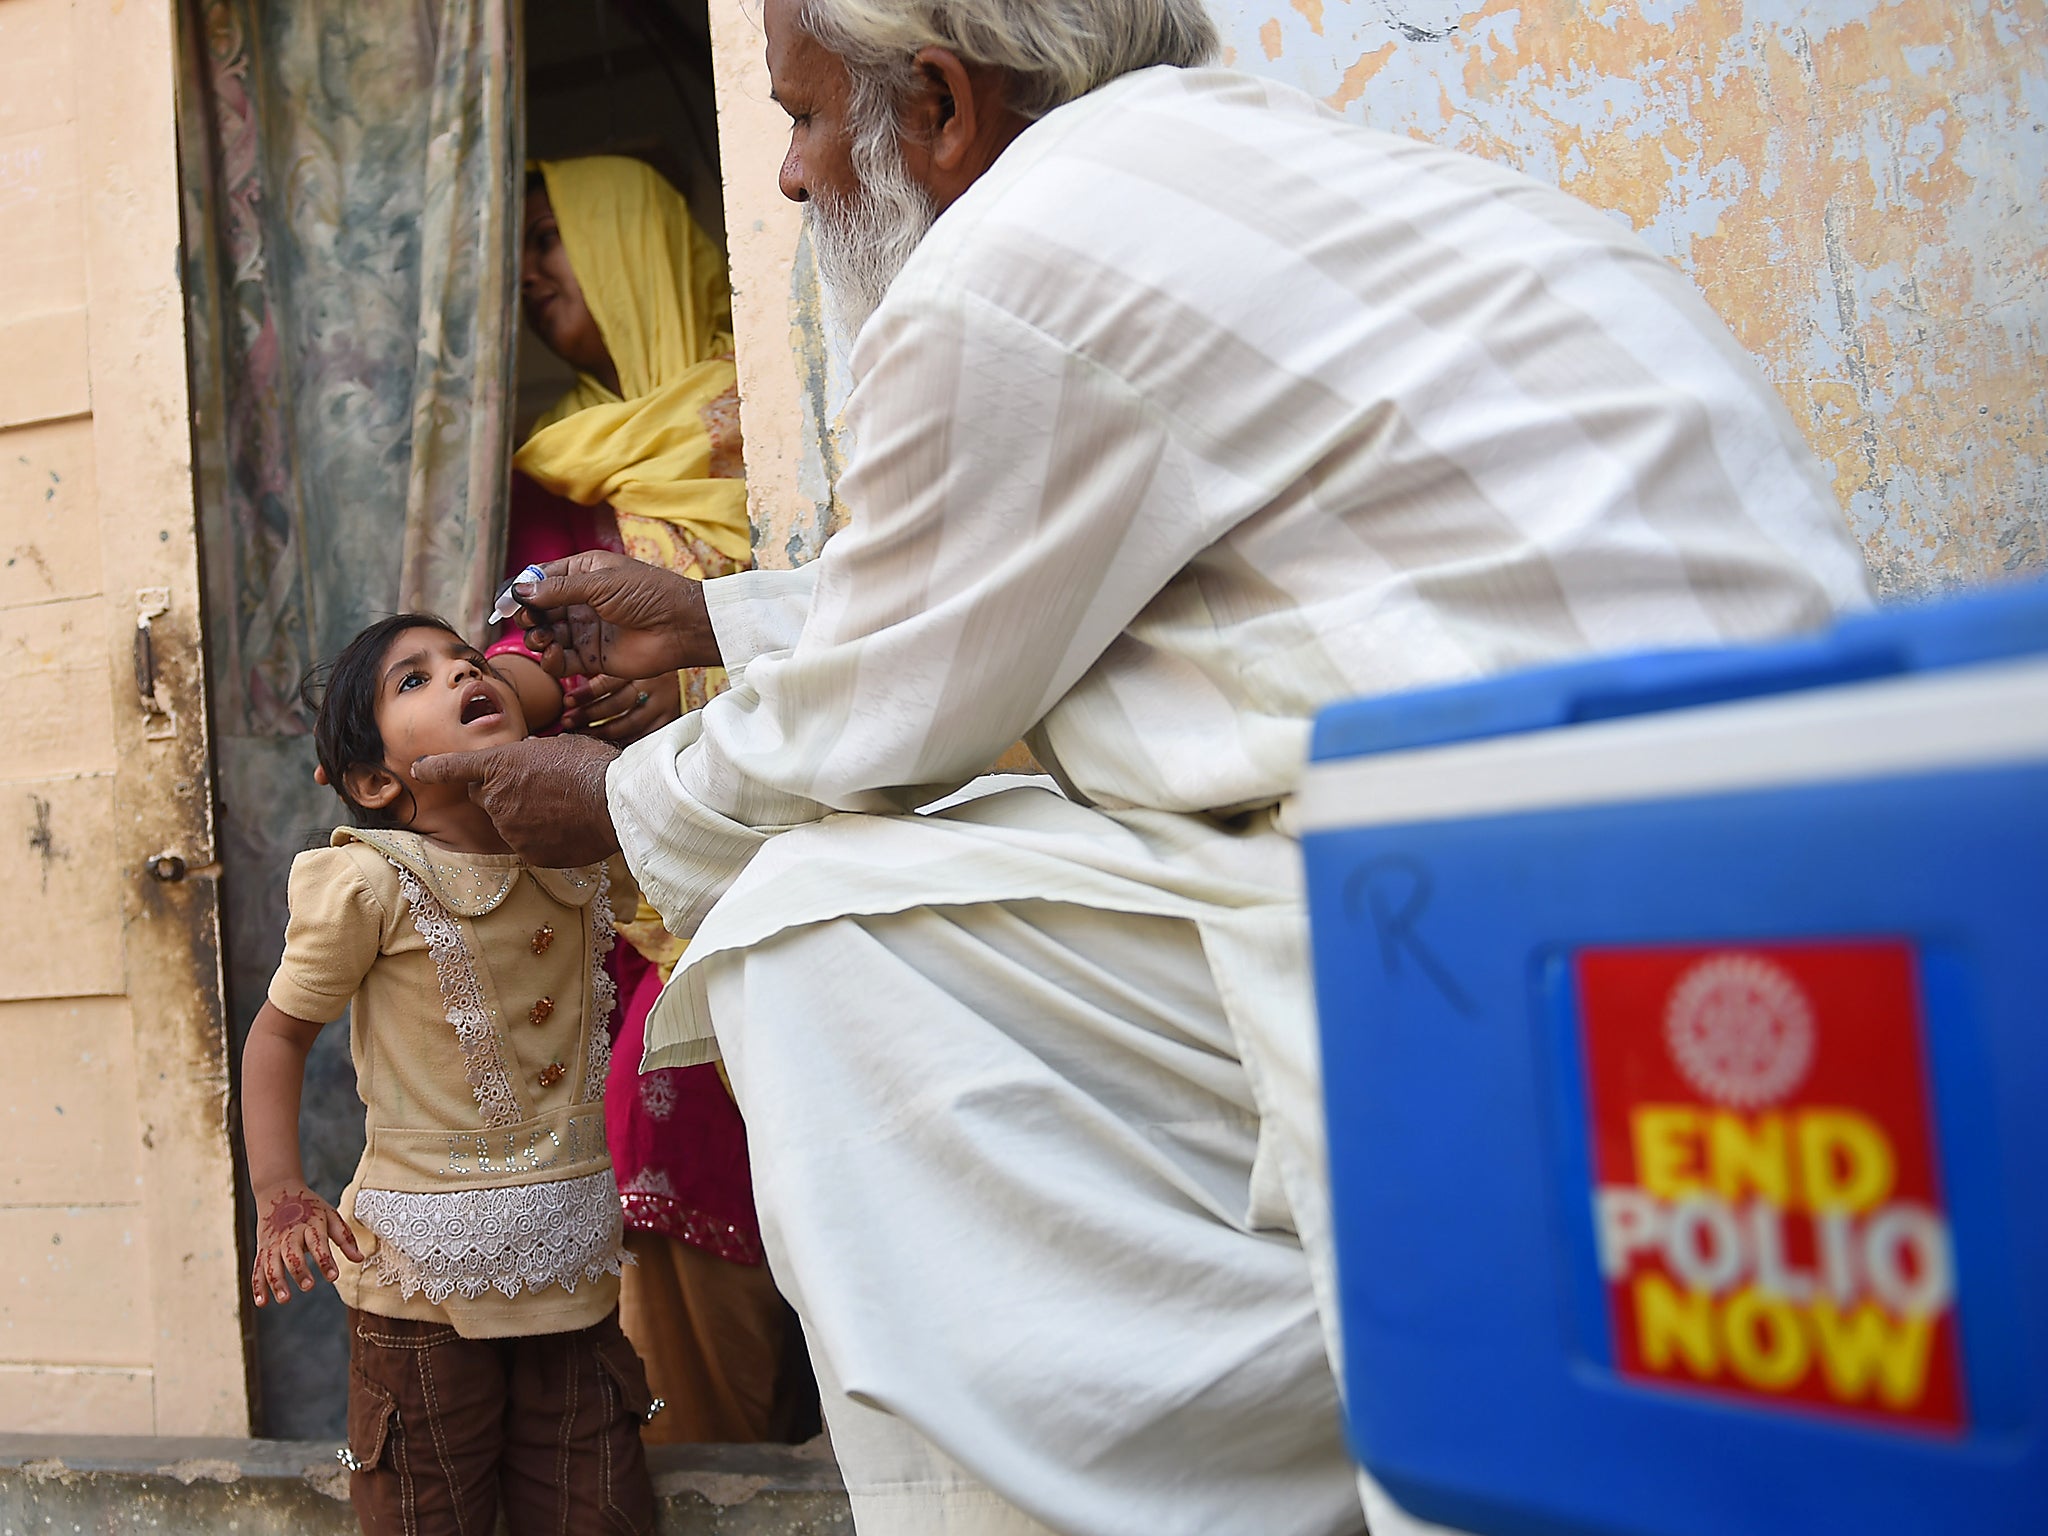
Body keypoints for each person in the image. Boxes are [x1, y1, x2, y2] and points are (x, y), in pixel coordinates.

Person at [415, 0, 1877, 1530]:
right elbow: (1006, 580)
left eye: (798, 117)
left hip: (1533, 883)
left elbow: (887, 706)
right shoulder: (1231, 169)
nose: (784, 179)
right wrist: (716, 616)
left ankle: (1163, 1462)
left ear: (938, 103)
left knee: (806, 921)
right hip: (1751, 825)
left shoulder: (1006, 270)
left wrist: (621, 809)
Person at [492, 154, 811, 1445]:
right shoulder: (547, 472)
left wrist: (692, 667)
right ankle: (717, 1468)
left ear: (633, 237)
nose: (529, 275)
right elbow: (512, 660)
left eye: (554, 237)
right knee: (654, 1115)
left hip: (807, 842)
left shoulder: (787, 406)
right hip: (636, 899)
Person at [241, 614, 657, 1535]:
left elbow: (535, 676)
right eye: (413, 680)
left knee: (602, 1512)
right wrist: (281, 1192)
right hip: (421, 1299)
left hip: (574, 1274)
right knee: (429, 1519)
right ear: (376, 781)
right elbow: (276, 1038)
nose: (463, 673)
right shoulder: (371, 883)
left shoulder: (583, 855)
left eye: (468, 664)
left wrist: (557, 684)